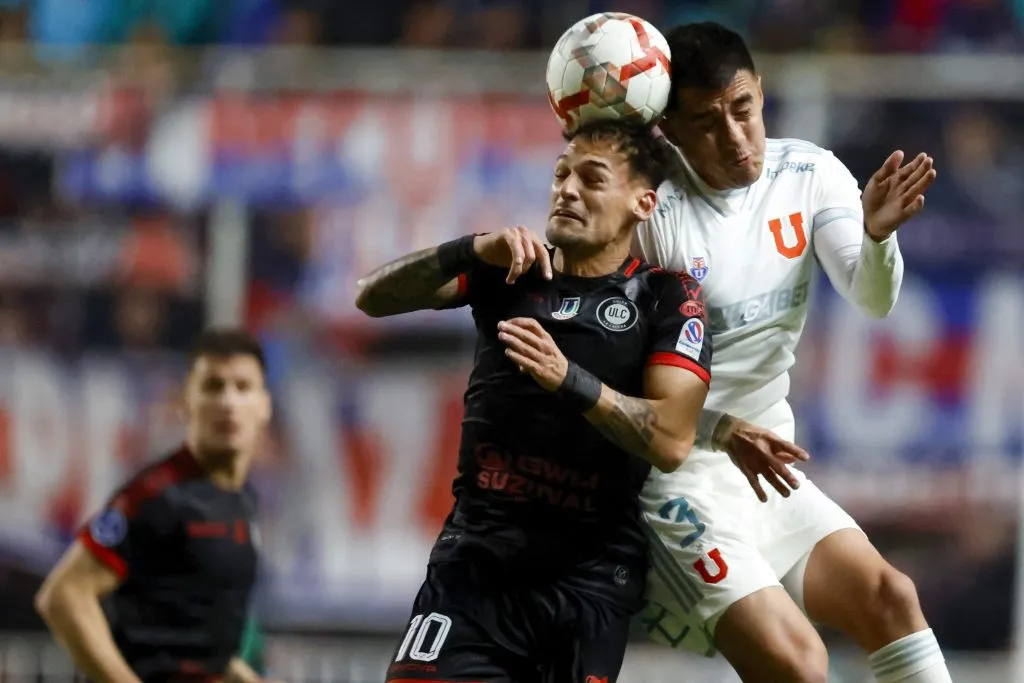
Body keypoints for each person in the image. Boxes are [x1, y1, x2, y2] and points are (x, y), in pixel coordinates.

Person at [355, 120, 726, 683]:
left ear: (642, 203)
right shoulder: (511, 270)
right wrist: (473, 247)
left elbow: (672, 438)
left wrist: (568, 379)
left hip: (588, 586)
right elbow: (372, 297)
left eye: (592, 178)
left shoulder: (666, 298)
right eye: (561, 174)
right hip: (475, 569)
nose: (567, 189)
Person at [632, 21, 947, 683]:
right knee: (799, 662)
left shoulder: (807, 172)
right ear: (672, 130)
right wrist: (714, 431)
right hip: (674, 478)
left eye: (743, 109)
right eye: (707, 121)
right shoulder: (652, 214)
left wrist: (877, 238)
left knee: (892, 599)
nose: (734, 135)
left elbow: (872, 298)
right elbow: (624, 370)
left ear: (761, 94)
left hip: (766, 465)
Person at [35, 328, 282, 683]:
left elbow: (198, 653)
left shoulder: (241, 502)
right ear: (185, 401)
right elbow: (64, 595)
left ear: (264, 406)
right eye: (213, 387)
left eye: (242, 388)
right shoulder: (157, 496)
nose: (228, 402)